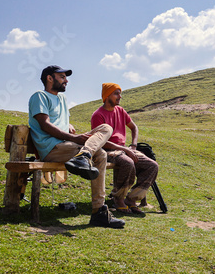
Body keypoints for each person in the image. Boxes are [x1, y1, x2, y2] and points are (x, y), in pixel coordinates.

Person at [28, 65, 125, 228]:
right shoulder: (39, 96)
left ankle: (84, 156)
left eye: (66, 77)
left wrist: (68, 125)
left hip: (67, 145)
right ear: (49, 78)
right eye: (62, 77)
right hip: (52, 148)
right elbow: (45, 125)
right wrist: (74, 137)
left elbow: (58, 120)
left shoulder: (62, 99)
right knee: (100, 154)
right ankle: (98, 211)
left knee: (106, 130)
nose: (66, 80)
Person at [91, 83, 159, 215]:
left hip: (124, 149)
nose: (120, 96)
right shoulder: (98, 115)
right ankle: (118, 199)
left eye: (119, 93)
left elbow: (134, 127)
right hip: (108, 150)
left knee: (152, 166)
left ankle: (131, 199)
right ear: (107, 95)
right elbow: (101, 142)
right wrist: (125, 150)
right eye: (116, 93)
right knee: (128, 162)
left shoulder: (121, 111)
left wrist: (133, 146)